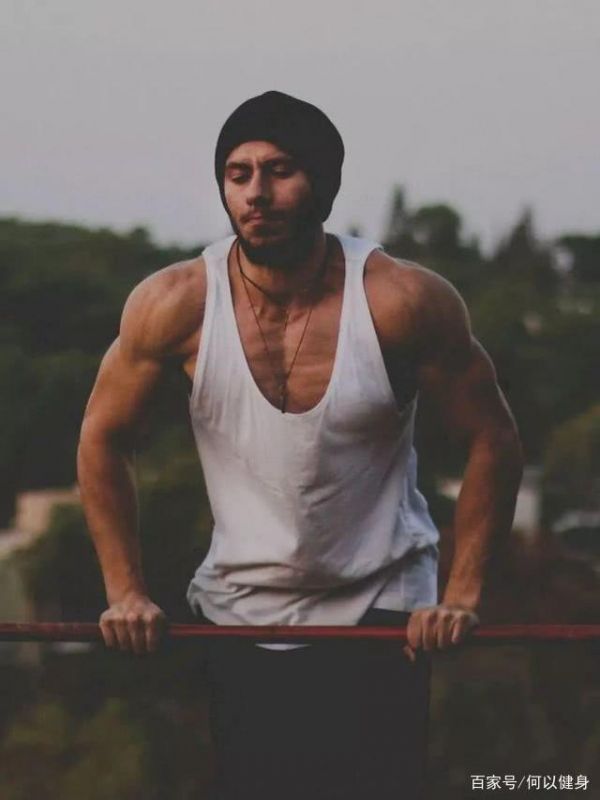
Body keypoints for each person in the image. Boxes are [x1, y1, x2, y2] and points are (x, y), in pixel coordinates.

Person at [77, 90, 523, 799]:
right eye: (238, 174)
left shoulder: (402, 300)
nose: (257, 192)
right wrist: (125, 593)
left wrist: (461, 595)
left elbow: (493, 440)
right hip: (237, 609)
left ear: (322, 181)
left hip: (383, 605)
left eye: (280, 170)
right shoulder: (174, 304)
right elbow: (102, 440)